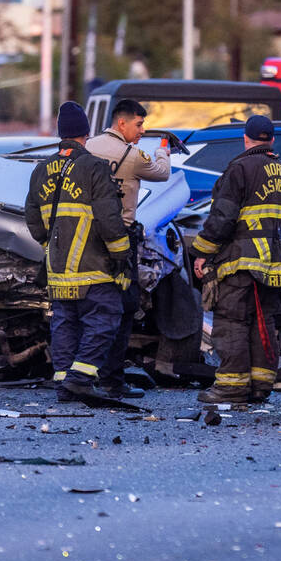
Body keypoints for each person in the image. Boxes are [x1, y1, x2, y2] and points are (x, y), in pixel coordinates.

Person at [190, 115, 281, 404]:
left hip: (240, 264)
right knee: (263, 323)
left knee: (232, 321)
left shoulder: (239, 169)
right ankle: (260, 386)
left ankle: (231, 387)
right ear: (272, 140)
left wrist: (202, 252)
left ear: (246, 139)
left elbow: (222, 218)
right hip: (275, 267)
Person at [25, 101, 132, 401]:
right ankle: (81, 378)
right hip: (92, 266)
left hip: (58, 268)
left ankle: (64, 384)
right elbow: (110, 219)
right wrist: (121, 256)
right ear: (86, 133)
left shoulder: (42, 170)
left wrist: (49, 245)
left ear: (61, 135)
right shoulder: (95, 167)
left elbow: (32, 217)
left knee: (64, 323)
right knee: (105, 317)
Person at [86, 99, 171, 398]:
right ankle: (112, 379)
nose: (141, 130)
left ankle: (79, 376)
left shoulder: (89, 147)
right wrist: (164, 149)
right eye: (138, 124)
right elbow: (162, 173)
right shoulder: (132, 155)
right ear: (122, 123)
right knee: (124, 305)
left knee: (85, 303)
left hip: (85, 236)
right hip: (120, 237)